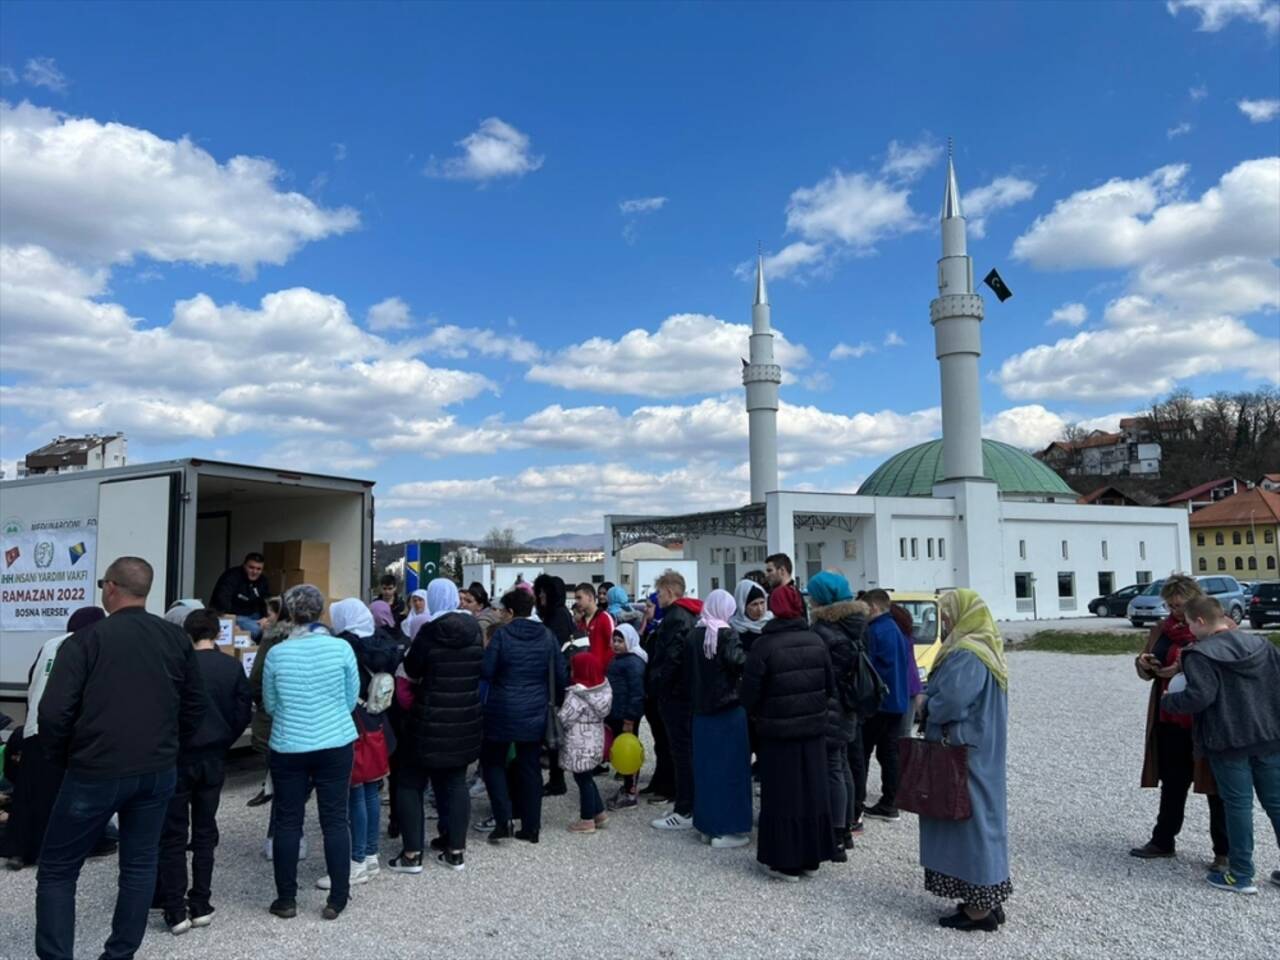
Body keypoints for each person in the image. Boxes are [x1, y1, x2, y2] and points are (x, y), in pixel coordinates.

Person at [35, 556, 205, 960]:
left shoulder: (86, 641)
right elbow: (195, 706)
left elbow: (53, 712)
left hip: (95, 769)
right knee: (139, 864)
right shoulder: (176, 639)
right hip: (157, 769)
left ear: (111, 587)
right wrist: (171, 747)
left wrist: (64, 757)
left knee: (58, 869)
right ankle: (120, 954)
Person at [1161, 595, 1280, 895]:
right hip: (1268, 735)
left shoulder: (1200, 655)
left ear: (1200, 621)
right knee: (1276, 804)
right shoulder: (1261, 645)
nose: (1189, 629)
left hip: (1227, 738)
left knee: (1238, 806)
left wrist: (1169, 701)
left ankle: (1240, 874)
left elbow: (1200, 697)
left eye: (1189, 623)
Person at [261, 584, 359, 921]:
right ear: (321, 612)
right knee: (334, 818)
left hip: (290, 743)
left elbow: (270, 704)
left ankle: (286, 898)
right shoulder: (341, 648)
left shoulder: (277, 653)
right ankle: (338, 897)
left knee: (288, 820)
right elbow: (350, 699)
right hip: (335, 740)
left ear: (289, 613)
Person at [919, 589, 1011, 931]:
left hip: (963, 750)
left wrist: (926, 704)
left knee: (970, 822)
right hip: (980, 747)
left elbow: (953, 702)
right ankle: (986, 898)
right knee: (982, 818)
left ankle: (978, 909)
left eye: (946, 614)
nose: (943, 621)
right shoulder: (986, 648)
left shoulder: (966, 654)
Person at [156, 609, 252, 935]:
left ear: (186, 632)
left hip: (179, 755)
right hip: (214, 754)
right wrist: (225, 737)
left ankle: (173, 906)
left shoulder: (177, 666)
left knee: (173, 832)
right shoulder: (231, 666)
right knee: (205, 830)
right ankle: (201, 901)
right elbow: (243, 710)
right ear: (218, 633)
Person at [1131, 575, 1228, 866]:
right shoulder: (1162, 629)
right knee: (1173, 781)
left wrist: (1183, 668)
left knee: (1216, 787)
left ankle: (1224, 851)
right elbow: (1144, 664)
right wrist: (1145, 664)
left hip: (1206, 720)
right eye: (1170, 605)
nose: (1175, 611)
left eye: (1180, 605)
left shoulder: (1214, 629)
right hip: (1171, 716)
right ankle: (1163, 839)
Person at [740, 585, 835, 881]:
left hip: (778, 731)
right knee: (812, 792)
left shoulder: (765, 645)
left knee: (783, 795)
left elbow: (749, 693)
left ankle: (784, 858)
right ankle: (811, 854)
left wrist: (758, 714)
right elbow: (830, 686)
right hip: (813, 730)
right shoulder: (816, 640)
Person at [2, 607, 106, 872]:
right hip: (65, 730)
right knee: (60, 795)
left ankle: (17, 850)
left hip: (36, 727)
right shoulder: (88, 645)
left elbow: (32, 681)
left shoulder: (49, 645)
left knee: (28, 792)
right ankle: (51, 851)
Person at [391, 579, 484, 873]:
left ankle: (411, 854)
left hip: (427, 718)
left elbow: (414, 669)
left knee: (409, 783)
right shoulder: (474, 631)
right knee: (455, 784)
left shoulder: (429, 631)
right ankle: (455, 850)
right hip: (464, 719)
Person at [480, 588, 567, 844]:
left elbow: (487, 670)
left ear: (509, 612)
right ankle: (532, 827)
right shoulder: (547, 635)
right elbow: (560, 674)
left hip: (502, 708)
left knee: (493, 762)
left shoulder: (502, 636)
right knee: (530, 767)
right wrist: (556, 702)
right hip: (535, 708)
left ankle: (503, 818)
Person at [322, 598, 397, 888]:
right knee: (371, 790)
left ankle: (356, 862)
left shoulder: (345, 646)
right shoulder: (382, 641)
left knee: (354, 790)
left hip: (353, 719)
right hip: (376, 718)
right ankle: (371, 854)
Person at [808, 572, 867, 858]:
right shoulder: (852, 625)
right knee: (841, 765)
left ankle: (835, 834)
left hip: (830, 706)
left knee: (833, 766)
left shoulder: (825, 630)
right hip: (847, 706)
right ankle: (845, 829)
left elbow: (821, 673)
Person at [688, 588, 751, 848]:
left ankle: (707, 824)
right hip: (728, 709)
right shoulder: (727, 634)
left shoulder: (694, 634)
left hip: (701, 711)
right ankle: (728, 828)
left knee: (706, 769)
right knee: (732, 770)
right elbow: (739, 663)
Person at [648, 571, 703, 831]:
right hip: (685, 694)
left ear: (670, 592)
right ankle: (690, 804)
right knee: (686, 751)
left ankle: (685, 808)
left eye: (659, 593)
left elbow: (672, 658)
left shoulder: (674, 618)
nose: (657, 598)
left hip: (675, 696)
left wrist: (657, 684)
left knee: (681, 752)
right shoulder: (691, 615)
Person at [858, 589, 912, 823]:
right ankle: (891, 802)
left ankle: (856, 803)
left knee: (862, 752)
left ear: (873, 608)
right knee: (889, 754)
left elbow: (865, 668)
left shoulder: (874, 631)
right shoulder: (897, 630)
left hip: (878, 704)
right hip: (898, 701)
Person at [559, 653, 614, 833]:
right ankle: (599, 813)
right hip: (595, 739)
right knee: (587, 777)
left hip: (579, 743)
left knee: (583, 780)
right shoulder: (602, 690)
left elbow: (565, 718)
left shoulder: (577, 695)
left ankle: (586, 820)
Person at [534, 575, 574, 796]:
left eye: (544, 592)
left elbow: (555, 652)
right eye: (538, 591)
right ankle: (555, 777)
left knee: (554, 732)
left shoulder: (557, 615)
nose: (540, 596)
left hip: (555, 683)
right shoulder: (551, 614)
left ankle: (557, 779)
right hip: (552, 681)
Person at [605, 624, 647, 810]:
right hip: (617, 712)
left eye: (620, 640)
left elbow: (637, 693)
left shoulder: (633, 662)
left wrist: (630, 718)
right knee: (621, 751)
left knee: (629, 752)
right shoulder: (620, 659)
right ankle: (627, 786)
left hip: (625, 716)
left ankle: (631, 792)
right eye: (614, 640)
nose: (615, 644)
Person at [208, 552, 271, 640]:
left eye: (258, 569)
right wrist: (231, 623)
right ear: (244, 565)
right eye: (251, 567)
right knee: (256, 630)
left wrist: (266, 617)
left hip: (255, 615)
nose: (255, 571)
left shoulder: (263, 580)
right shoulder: (231, 576)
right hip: (235, 615)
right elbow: (222, 600)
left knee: (274, 630)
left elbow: (267, 600)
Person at [574, 581, 616, 671]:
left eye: (579, 598)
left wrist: (602, 667)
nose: (576, 602)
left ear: (590, 597)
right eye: (576, 599)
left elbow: (612, 646)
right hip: (585, 674)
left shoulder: (605, 617)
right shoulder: (581, 622)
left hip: (601, 674)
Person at [730, 579, 772, 652]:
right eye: (754, 604)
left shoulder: (772, 623)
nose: (760, 609)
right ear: (742, 606)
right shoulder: (733, 630)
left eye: (762, 602)